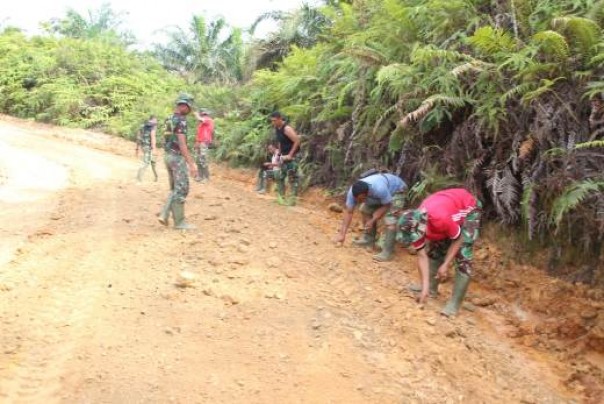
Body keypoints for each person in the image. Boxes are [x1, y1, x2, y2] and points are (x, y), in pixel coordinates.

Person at [396, 188, 481, 317]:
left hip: (468, 208)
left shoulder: (440, 219)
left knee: (463, 253)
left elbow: (458, 239)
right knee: (436, 248)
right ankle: (430, 289)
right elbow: (421, 256)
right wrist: (424, 288)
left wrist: (446, 264)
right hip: (447, 210)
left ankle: (454, 303)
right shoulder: (415, 220)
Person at [334, 171, 407, 262]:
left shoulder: (379, 189)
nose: (359, 201)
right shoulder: (352, 193)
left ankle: (388, 252)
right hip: (381, 193)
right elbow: (349, 212)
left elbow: (387, 204)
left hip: (397, 190)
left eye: (361, 199)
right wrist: (342, 234)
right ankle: (368, 240)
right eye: (357, 199)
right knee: (365, 209)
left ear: (367, 193)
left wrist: (373, 220)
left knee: (390, 219)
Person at [157, 95, 198, 230]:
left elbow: (165, 139)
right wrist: (191, 164)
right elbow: (182, 144)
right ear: (183, 106)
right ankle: (179, 222)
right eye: (189, 107)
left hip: (167, 157)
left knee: (175, 189)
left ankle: (164, 214)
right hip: (177, 158)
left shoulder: (169, 118)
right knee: (182, 188)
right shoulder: (181, 120)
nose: (189, 110)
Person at [270, 111, 301, 205]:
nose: (273, 122)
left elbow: (297, 141)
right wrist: (279, 153)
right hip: (283, 156)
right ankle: (281, 198)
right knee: (280, 177)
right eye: (272, 121)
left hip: (292, 157)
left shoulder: (286, 128)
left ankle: (292, 200)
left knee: (293, 178)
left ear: (280, 118)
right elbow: (280, 142)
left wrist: (291, 155)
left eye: (275, 120)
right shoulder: (277, 128)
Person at [193, 109, 215, 183]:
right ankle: (200, 176)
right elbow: (199, 134)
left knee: (203, 160)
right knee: (198, 160)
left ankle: (206, 177)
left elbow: (200, 119)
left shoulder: (208, 120)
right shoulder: (201, 124)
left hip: (204, 142)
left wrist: (196, 114)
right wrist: (196, 142)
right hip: (200, 142)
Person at [135, 116, 158, 182]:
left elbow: (138, 137)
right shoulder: (153, 126)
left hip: (143, 146)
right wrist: (154, 149)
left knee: (152, 162)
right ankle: (139, 178)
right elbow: (153, 137)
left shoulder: (142, 125)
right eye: (155, 120)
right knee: (147, 163)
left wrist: (137, 148)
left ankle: (156, 177)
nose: (156, 122)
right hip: (149, 147)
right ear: (153, 120)